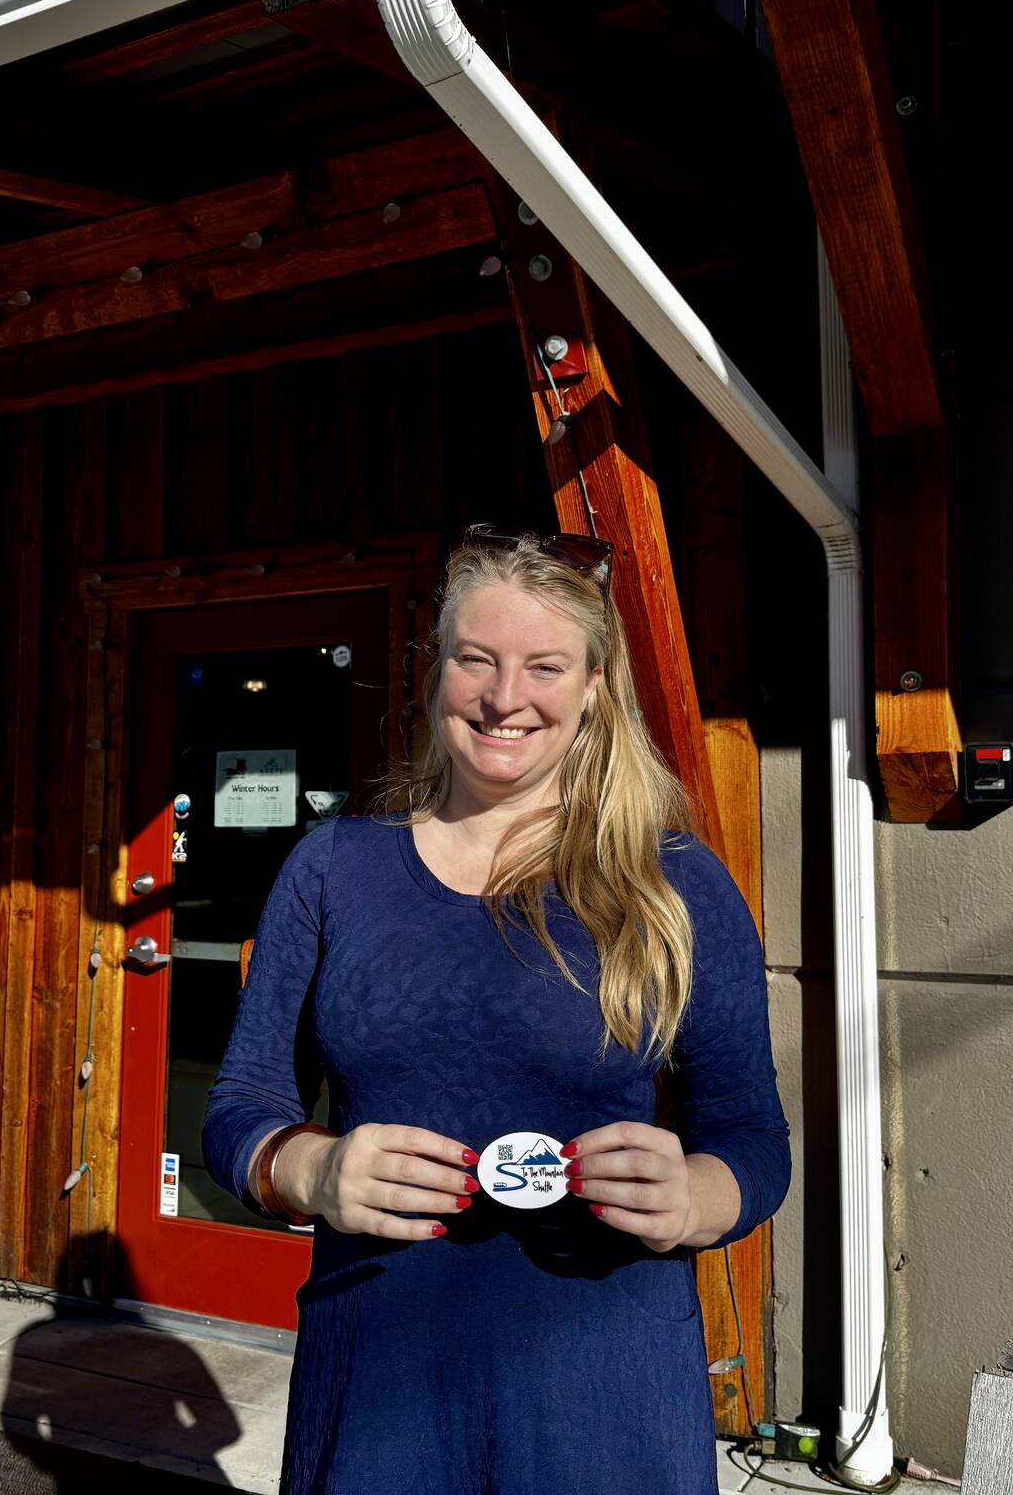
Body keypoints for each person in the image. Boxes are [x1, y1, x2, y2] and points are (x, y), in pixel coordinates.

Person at [203, 524, 790, 1493]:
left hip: (602, 1391)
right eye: (475, 659)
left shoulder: (675, 885)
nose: (504, 696)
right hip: (377, 1383)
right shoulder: (334, 867)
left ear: (595, 686)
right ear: (436, 670)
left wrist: (693, 1197)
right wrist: (310, 1168)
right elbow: (238, 1107)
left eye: (543, 666)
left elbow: (752, 1138)